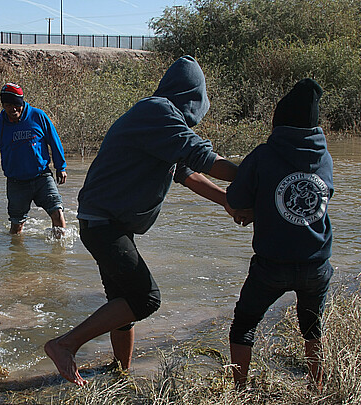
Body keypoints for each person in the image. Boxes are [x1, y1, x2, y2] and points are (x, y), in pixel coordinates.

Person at [44, 56, 240, 386]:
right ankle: (65, 345)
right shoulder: (158, 112)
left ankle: (121, 373)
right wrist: (256, 177)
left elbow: (187, 174)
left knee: (122, 305)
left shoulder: (158, 119)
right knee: (145, 299)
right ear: (192, 98)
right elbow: (203, 159)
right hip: (104, 222)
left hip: (106, 222)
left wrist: (229, 203)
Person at [227, 78, 333, 392]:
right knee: (312, 330)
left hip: (271, 265)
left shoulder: (262, 155)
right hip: (316, 265)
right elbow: (323, 198)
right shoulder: (324, 158)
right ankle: (317, 389)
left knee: (243, 326)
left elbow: (236, 200)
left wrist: (255, 209)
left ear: (278, 122)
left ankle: (240, 390)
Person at [0, 83, 67, 235]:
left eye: (16, 105)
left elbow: (54, 142)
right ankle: (17, 256)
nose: (13, 110)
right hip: (16, 182)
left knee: (57, 213)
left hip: (42, 177)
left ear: (22, 103)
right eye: (8, 105)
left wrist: (61, 167)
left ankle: (60, 256)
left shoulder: (38, 116)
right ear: (3, 105)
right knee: (16, 226)